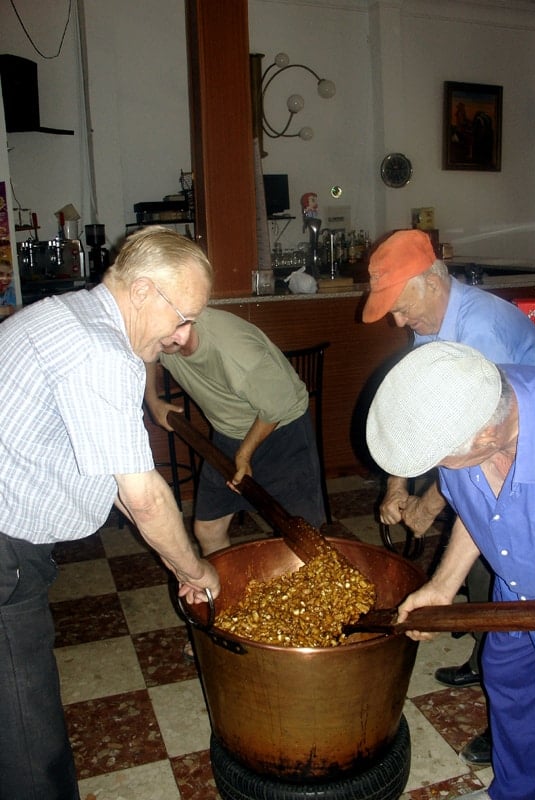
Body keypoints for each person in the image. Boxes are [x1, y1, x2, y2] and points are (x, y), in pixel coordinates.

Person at [0, 225, 220, 800]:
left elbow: (115, 479)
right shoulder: (102, 352)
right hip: (3, 552)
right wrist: (196, 571)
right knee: (27, 738)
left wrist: (177, 567)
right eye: (183, 316)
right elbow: (144, 496)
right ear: (143, 290)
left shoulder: (64, 313)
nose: (183, 336)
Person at [366, 341, 535, 800]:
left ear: (485, 438)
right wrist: (443, 585)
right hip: (520, 587)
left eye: (438, 461)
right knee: (513, 687)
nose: (434, 470)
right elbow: (483, 508)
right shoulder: (464, 399)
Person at [362, 229, 535, 764]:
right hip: (489, 455)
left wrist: (427, 505)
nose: (399, 323)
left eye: (400, 309)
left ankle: (513, 717)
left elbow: (475, 444)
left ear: (430, 282)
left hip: (534, 463)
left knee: (515, 586)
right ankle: (486, 651)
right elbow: (420, 408)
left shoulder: (481, 331)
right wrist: (397, 482)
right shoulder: (432, 321)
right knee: (482, 569)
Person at [145, 306, 326, 557]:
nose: (157, 345)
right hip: (227, 433)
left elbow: (276, 406)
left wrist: (243, 455)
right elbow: (145, 356)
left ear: (185, 324)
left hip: (283, 432)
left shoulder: (234, 350)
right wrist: (153, 402)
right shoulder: (158, 333)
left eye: (162, 337)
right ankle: (227, 592)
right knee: (208, 529)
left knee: (302, 538)